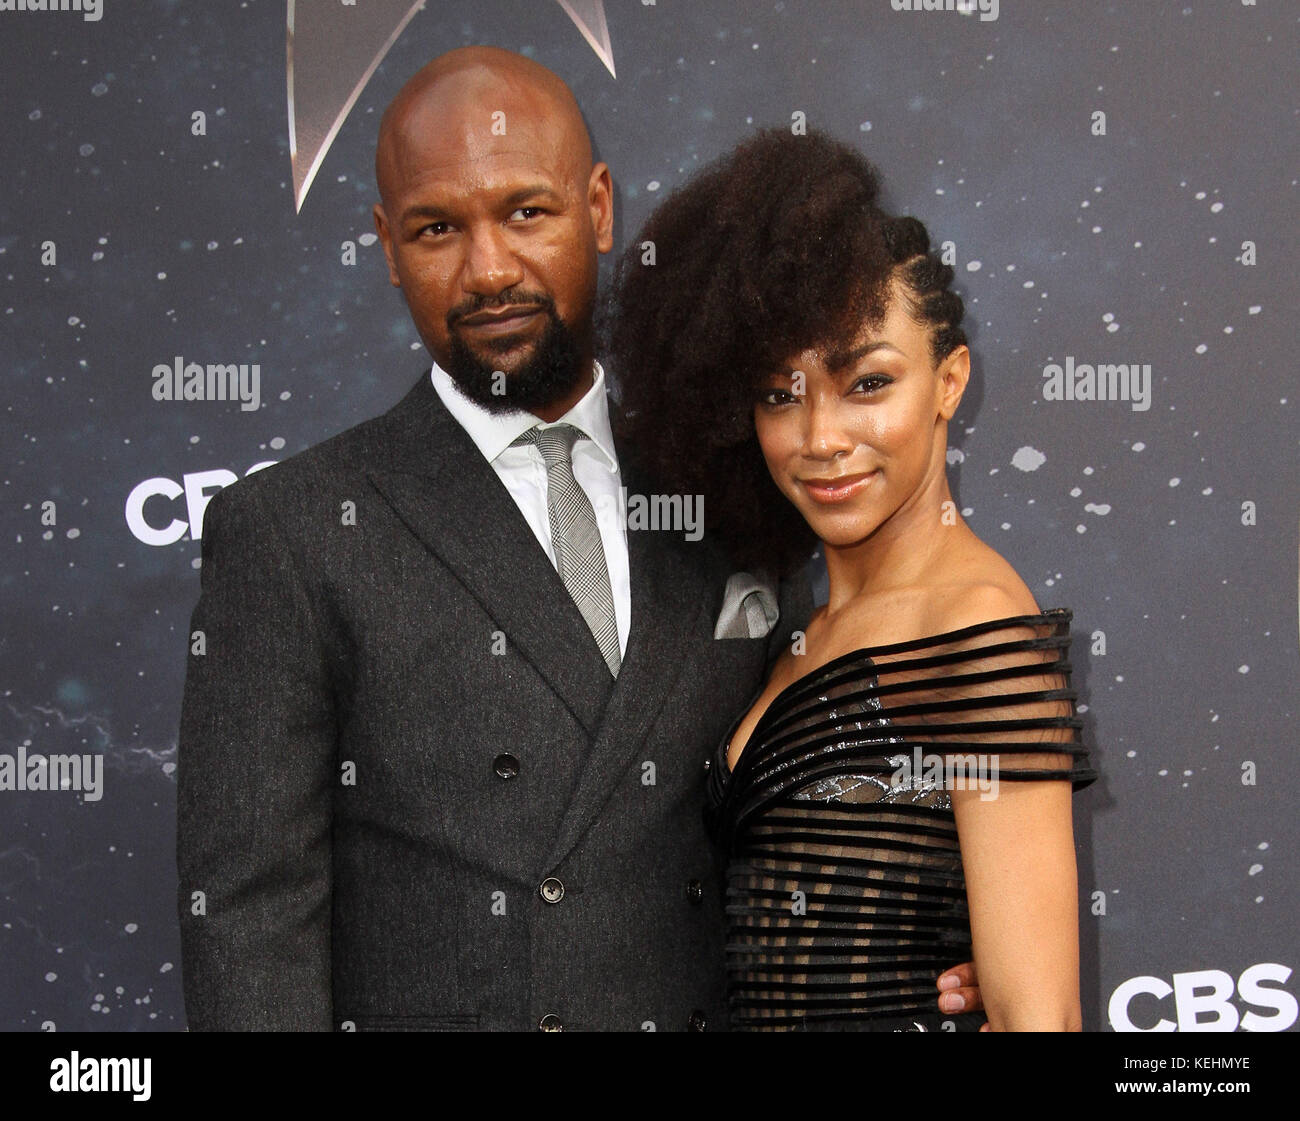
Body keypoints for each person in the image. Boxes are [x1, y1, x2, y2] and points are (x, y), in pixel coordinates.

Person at [176, 47, 983, 1031]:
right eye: (437, 228)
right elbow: (249, 922)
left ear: (598, 208)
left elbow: (793, 807)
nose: (489, 269)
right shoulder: (292, 530)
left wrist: (930, 933)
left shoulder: (735, 480)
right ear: (386, 247)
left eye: (526, 212)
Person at [609, 127, 1097, 1031]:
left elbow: (1043, 1020)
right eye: (780, 394)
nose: (820, 437)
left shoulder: (975, 627)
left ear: (950, 380)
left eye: (867, 382)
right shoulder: (801, 624)